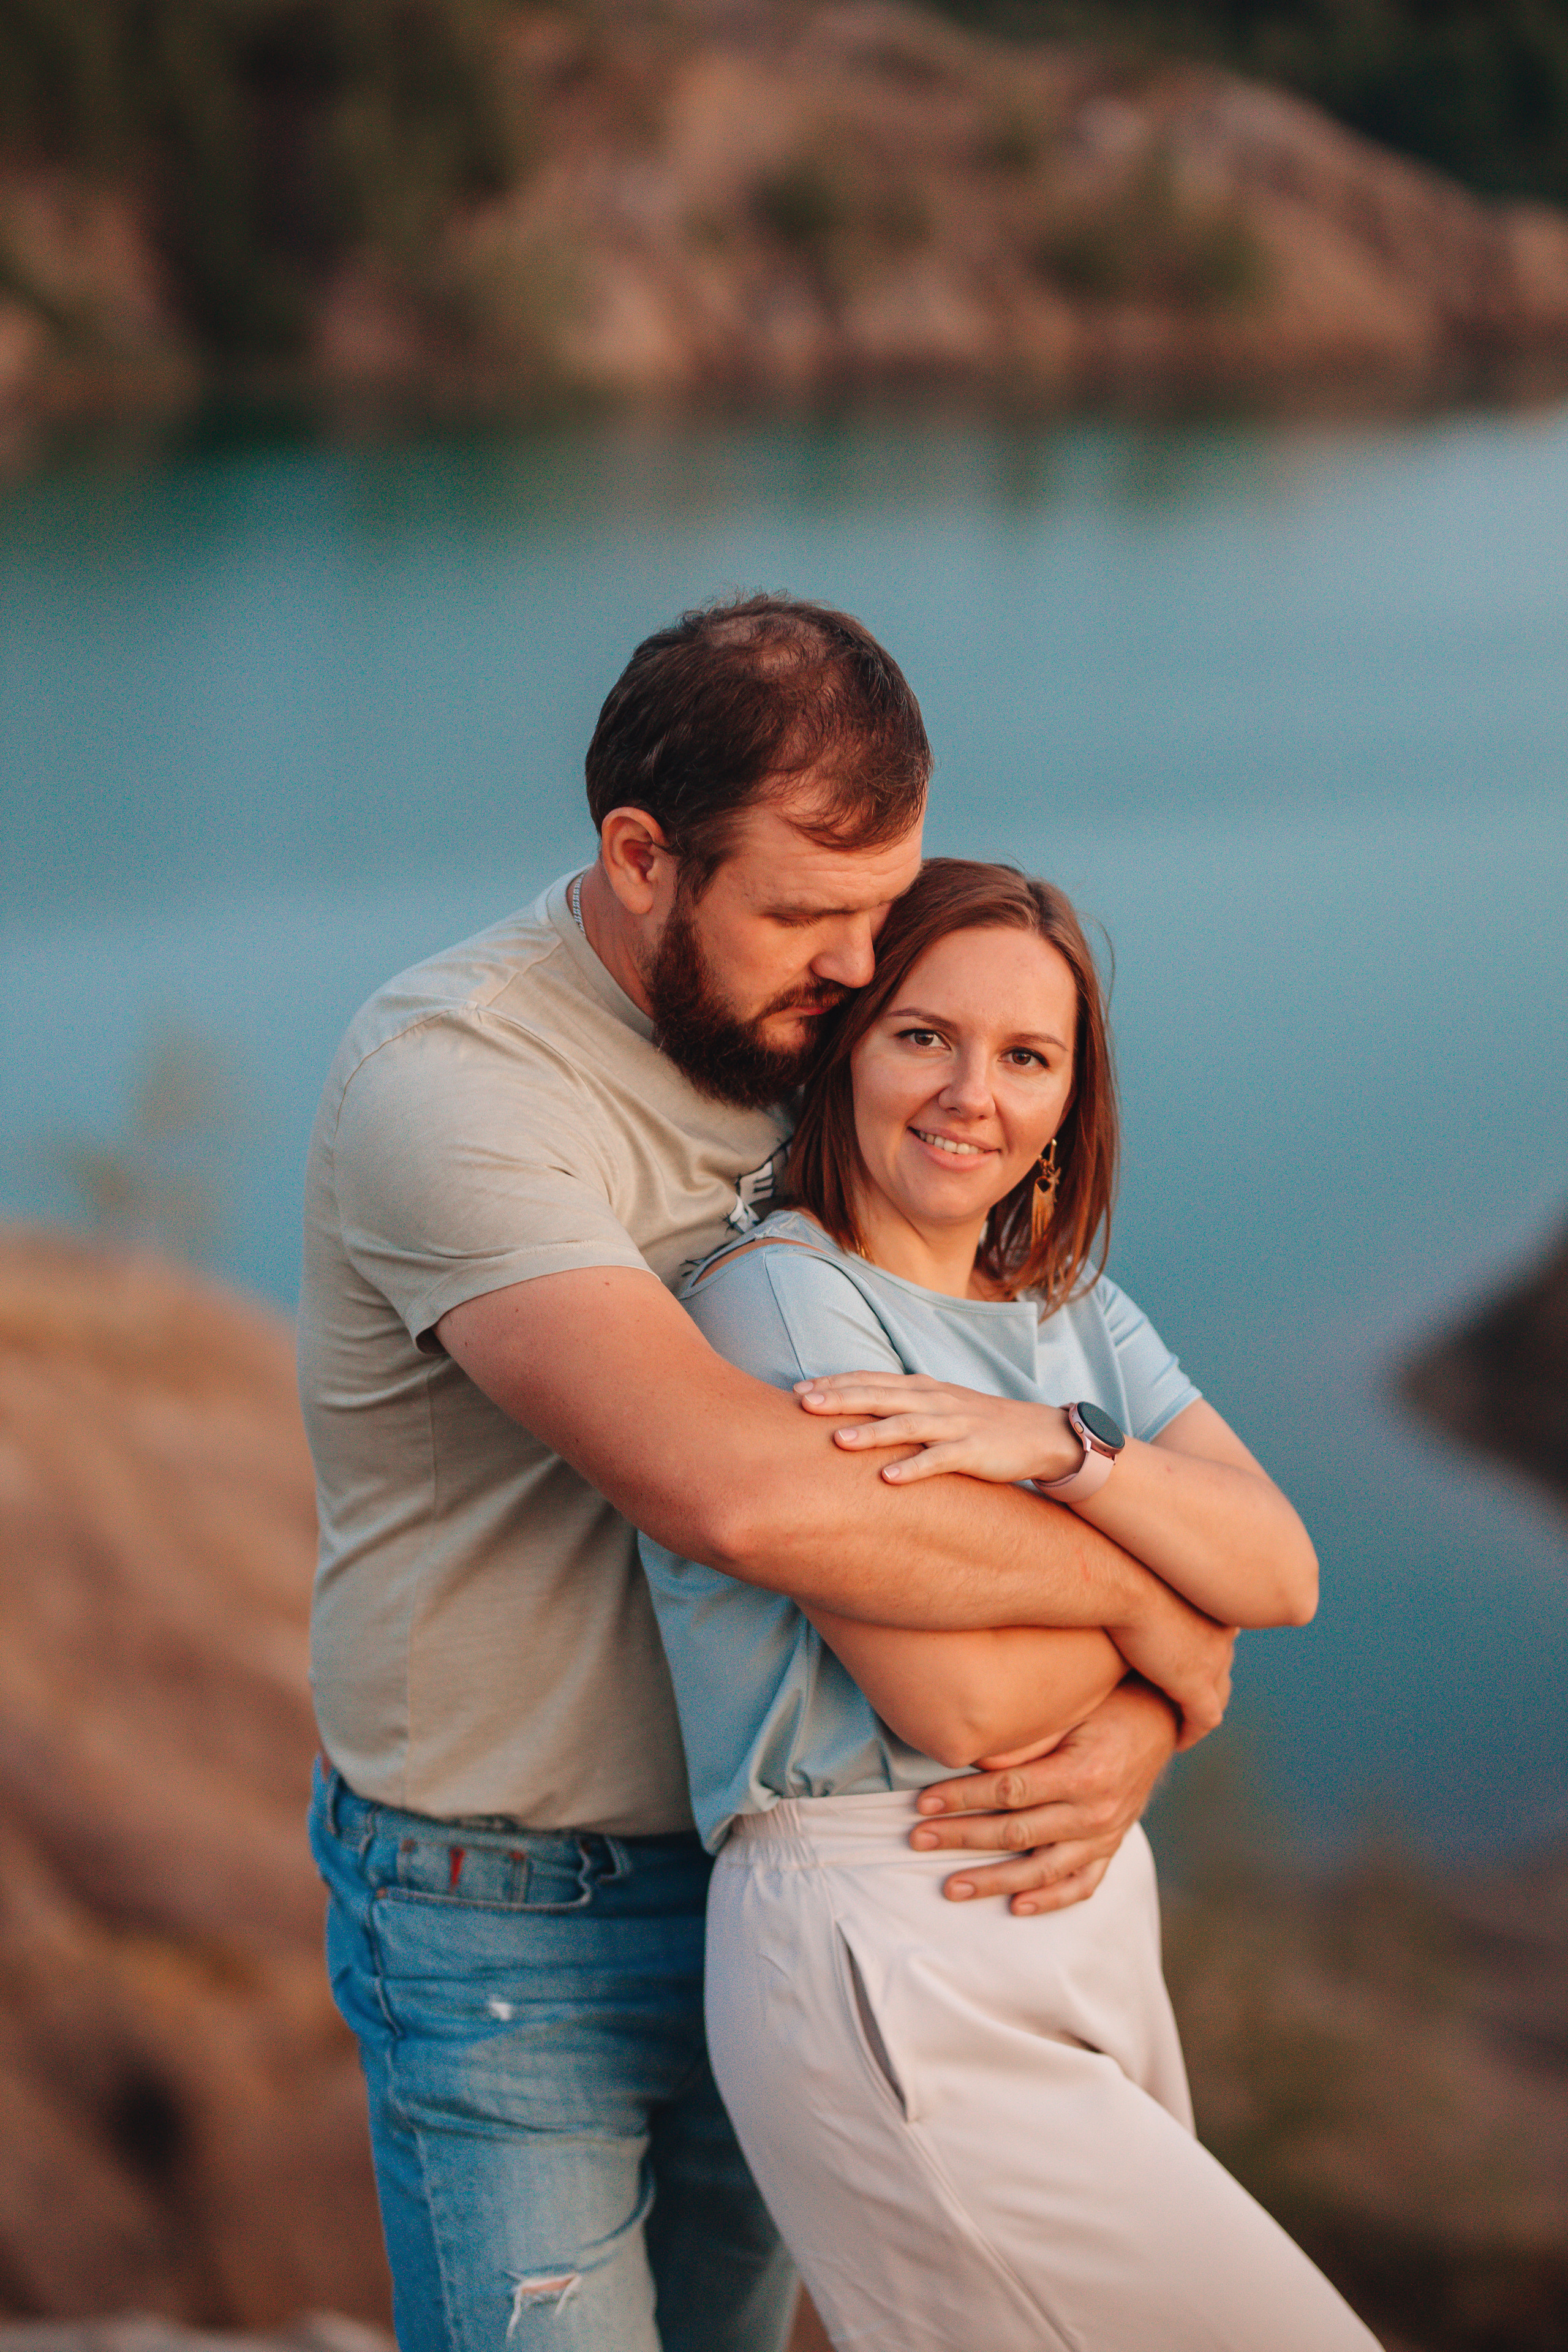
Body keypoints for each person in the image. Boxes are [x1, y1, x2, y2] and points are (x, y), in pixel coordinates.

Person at [299, 598, 1235, 2352]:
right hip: (512, 1915)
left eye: (882, 909)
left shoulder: (815, 1047)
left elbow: (1034, 1364)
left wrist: (1143, 1720)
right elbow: (753, 1498)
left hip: (802, 1895)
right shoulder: (462, 1090)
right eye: (807, 914)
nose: (859, 964)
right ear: (642, 859)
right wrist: (1153, 1607)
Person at [640, 858, 1381, 2352]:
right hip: (888, 1939)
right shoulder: (780, 1301)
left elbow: (1283, 1571)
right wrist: (1170, 1645)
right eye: (925, 1035)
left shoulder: (1067, 1310)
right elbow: (954, 1700)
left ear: (1066, 1098)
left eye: (1024, 1057)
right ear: (845, 1043)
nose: (969, 1094)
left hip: (1084, 1917)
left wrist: (1060, 1452)